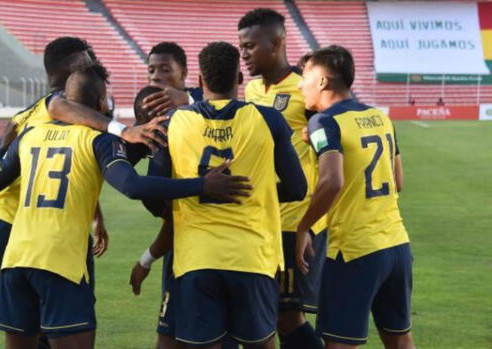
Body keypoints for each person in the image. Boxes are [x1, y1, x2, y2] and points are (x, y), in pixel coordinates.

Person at [0, 63, 251, 349]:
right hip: (60, 262)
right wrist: (201, 185)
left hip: (16, 260)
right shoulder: (98, 141)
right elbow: (132, 186)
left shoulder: (29, 135)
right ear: (100, 103)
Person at [145, 41, 307, 349]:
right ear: (240, 80)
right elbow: (298, 188)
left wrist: (175, 206)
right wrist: (255, 192)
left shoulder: (174, 121)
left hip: (197, 258)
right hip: (252, 256)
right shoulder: (269, 119)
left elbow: (153, 193)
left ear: (201, 82)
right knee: (261, 343)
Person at [294, 45, 414, 349]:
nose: (299, 84)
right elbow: (397, 181)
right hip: (397, 245)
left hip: (354, 250)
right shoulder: (380, 117)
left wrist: (303, 226)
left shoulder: (323, 122)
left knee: (339, 343)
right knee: (399, 339)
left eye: (305, 76)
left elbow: (332, 182)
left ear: (322, 81)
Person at [238, 8, 326, 348]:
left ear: (276, 43)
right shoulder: (251, 90)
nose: (243, 54)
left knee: (288, 318)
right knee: (264, 315)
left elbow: (331, 147)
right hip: (263, 220)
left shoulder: (304, 89)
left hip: (295, 221)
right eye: (241, 47)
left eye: (250, 46)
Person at [141, 42, 203, 117]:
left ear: (183, 74)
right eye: (151, 71)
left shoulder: (200, 95)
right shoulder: (149, 106)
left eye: (165, 70)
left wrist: (186, 99)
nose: (155, 77)